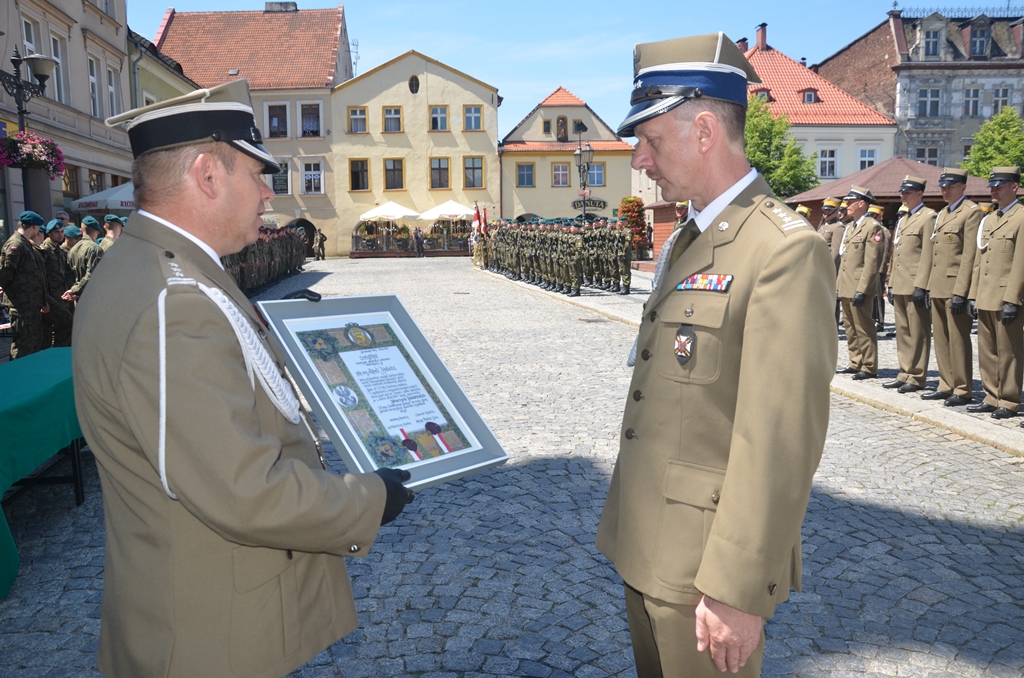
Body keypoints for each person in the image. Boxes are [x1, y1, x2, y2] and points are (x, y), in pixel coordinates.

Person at [73, 79, 415, 678]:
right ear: (208, 175)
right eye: (258, 174)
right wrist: (370, 499)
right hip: (208, 638)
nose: (268, 192)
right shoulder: (173, 299)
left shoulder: (161, 270)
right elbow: (245, 489)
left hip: (195, 610)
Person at [596, 33, 836, 678]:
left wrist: (737, 587)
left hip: (706, 572)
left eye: (651, 141)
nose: (640, 162)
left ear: (704, 129)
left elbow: (779, 439)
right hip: (647, 542)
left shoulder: (782, 251)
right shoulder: (692, 237)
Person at [920, 168, 981, 406]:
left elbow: (969, 255)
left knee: (958, 339)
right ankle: (946, 384)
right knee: (942, 339)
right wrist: (926, 286)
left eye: (951, 186)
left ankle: (963, 388)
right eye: (943, 187)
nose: (945, 190)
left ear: (963, 187)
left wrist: (961, 292)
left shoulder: (971, 213)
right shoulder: (943, 213)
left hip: (955, 286)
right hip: (937, 285)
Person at [968, 166, 1024, 420]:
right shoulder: (989, 219)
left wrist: (1013, 298)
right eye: (992, 186)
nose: (993, 190)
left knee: (1009, 351)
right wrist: (972, 294)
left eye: (999, 186)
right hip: (986, 294)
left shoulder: (1021, 217)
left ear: (1014, 187)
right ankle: (991, 396)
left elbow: (1021, 262)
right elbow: (981, 260)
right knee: (988, 349)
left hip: (1006, 296)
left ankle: (1010, 399)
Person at [884, 176, 936, 393]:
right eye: (902, 192)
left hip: (915, 283)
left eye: (908, 192)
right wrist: (891, 282)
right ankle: (904, 371)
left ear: (920, 193)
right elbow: (897, 254)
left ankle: (916, 375)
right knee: (903, 331)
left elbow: (928, 255)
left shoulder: (928, 217)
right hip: (900, 282)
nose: (903, 196)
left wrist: (922, 285)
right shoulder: (904, 219)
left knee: (918, 331)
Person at [836, 186, 885, 380]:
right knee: (850, 327)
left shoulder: (872, 227)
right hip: (846, 285)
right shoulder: (850, 227)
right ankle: (855, 361)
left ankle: (869, 366)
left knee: (864, 327)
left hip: (859, 287)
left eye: (850, 202)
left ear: (861, 203)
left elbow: (872, 262)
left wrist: (863, 290)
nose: (846, 205)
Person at [0, 211, 50, 359]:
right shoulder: (15, 244)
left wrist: (42, 301)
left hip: (30, 306)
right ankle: (17, 379)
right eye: (39, 228)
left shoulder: (25, 244)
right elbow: (4, 273)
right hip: (20, 307)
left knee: (32, 347)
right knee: (22, 349)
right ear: (34, 227)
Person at [38, 218, 75, 346]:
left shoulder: (60, 251)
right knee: (67, 323)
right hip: (51, 298)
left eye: (61, 231)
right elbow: (41, 277)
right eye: (56, 232)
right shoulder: (44, 250)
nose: (60, 235)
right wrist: (45, 300)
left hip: (62, 296)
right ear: (49, 233)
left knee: (62, 329)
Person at [65, 215, 105, 301]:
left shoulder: (72, 250)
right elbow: (92, 275)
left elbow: (68, 274)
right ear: (97, 232)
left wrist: (73, 290)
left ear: (81, 230)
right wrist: (75, 290)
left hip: (78, 297)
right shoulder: (95, 249)